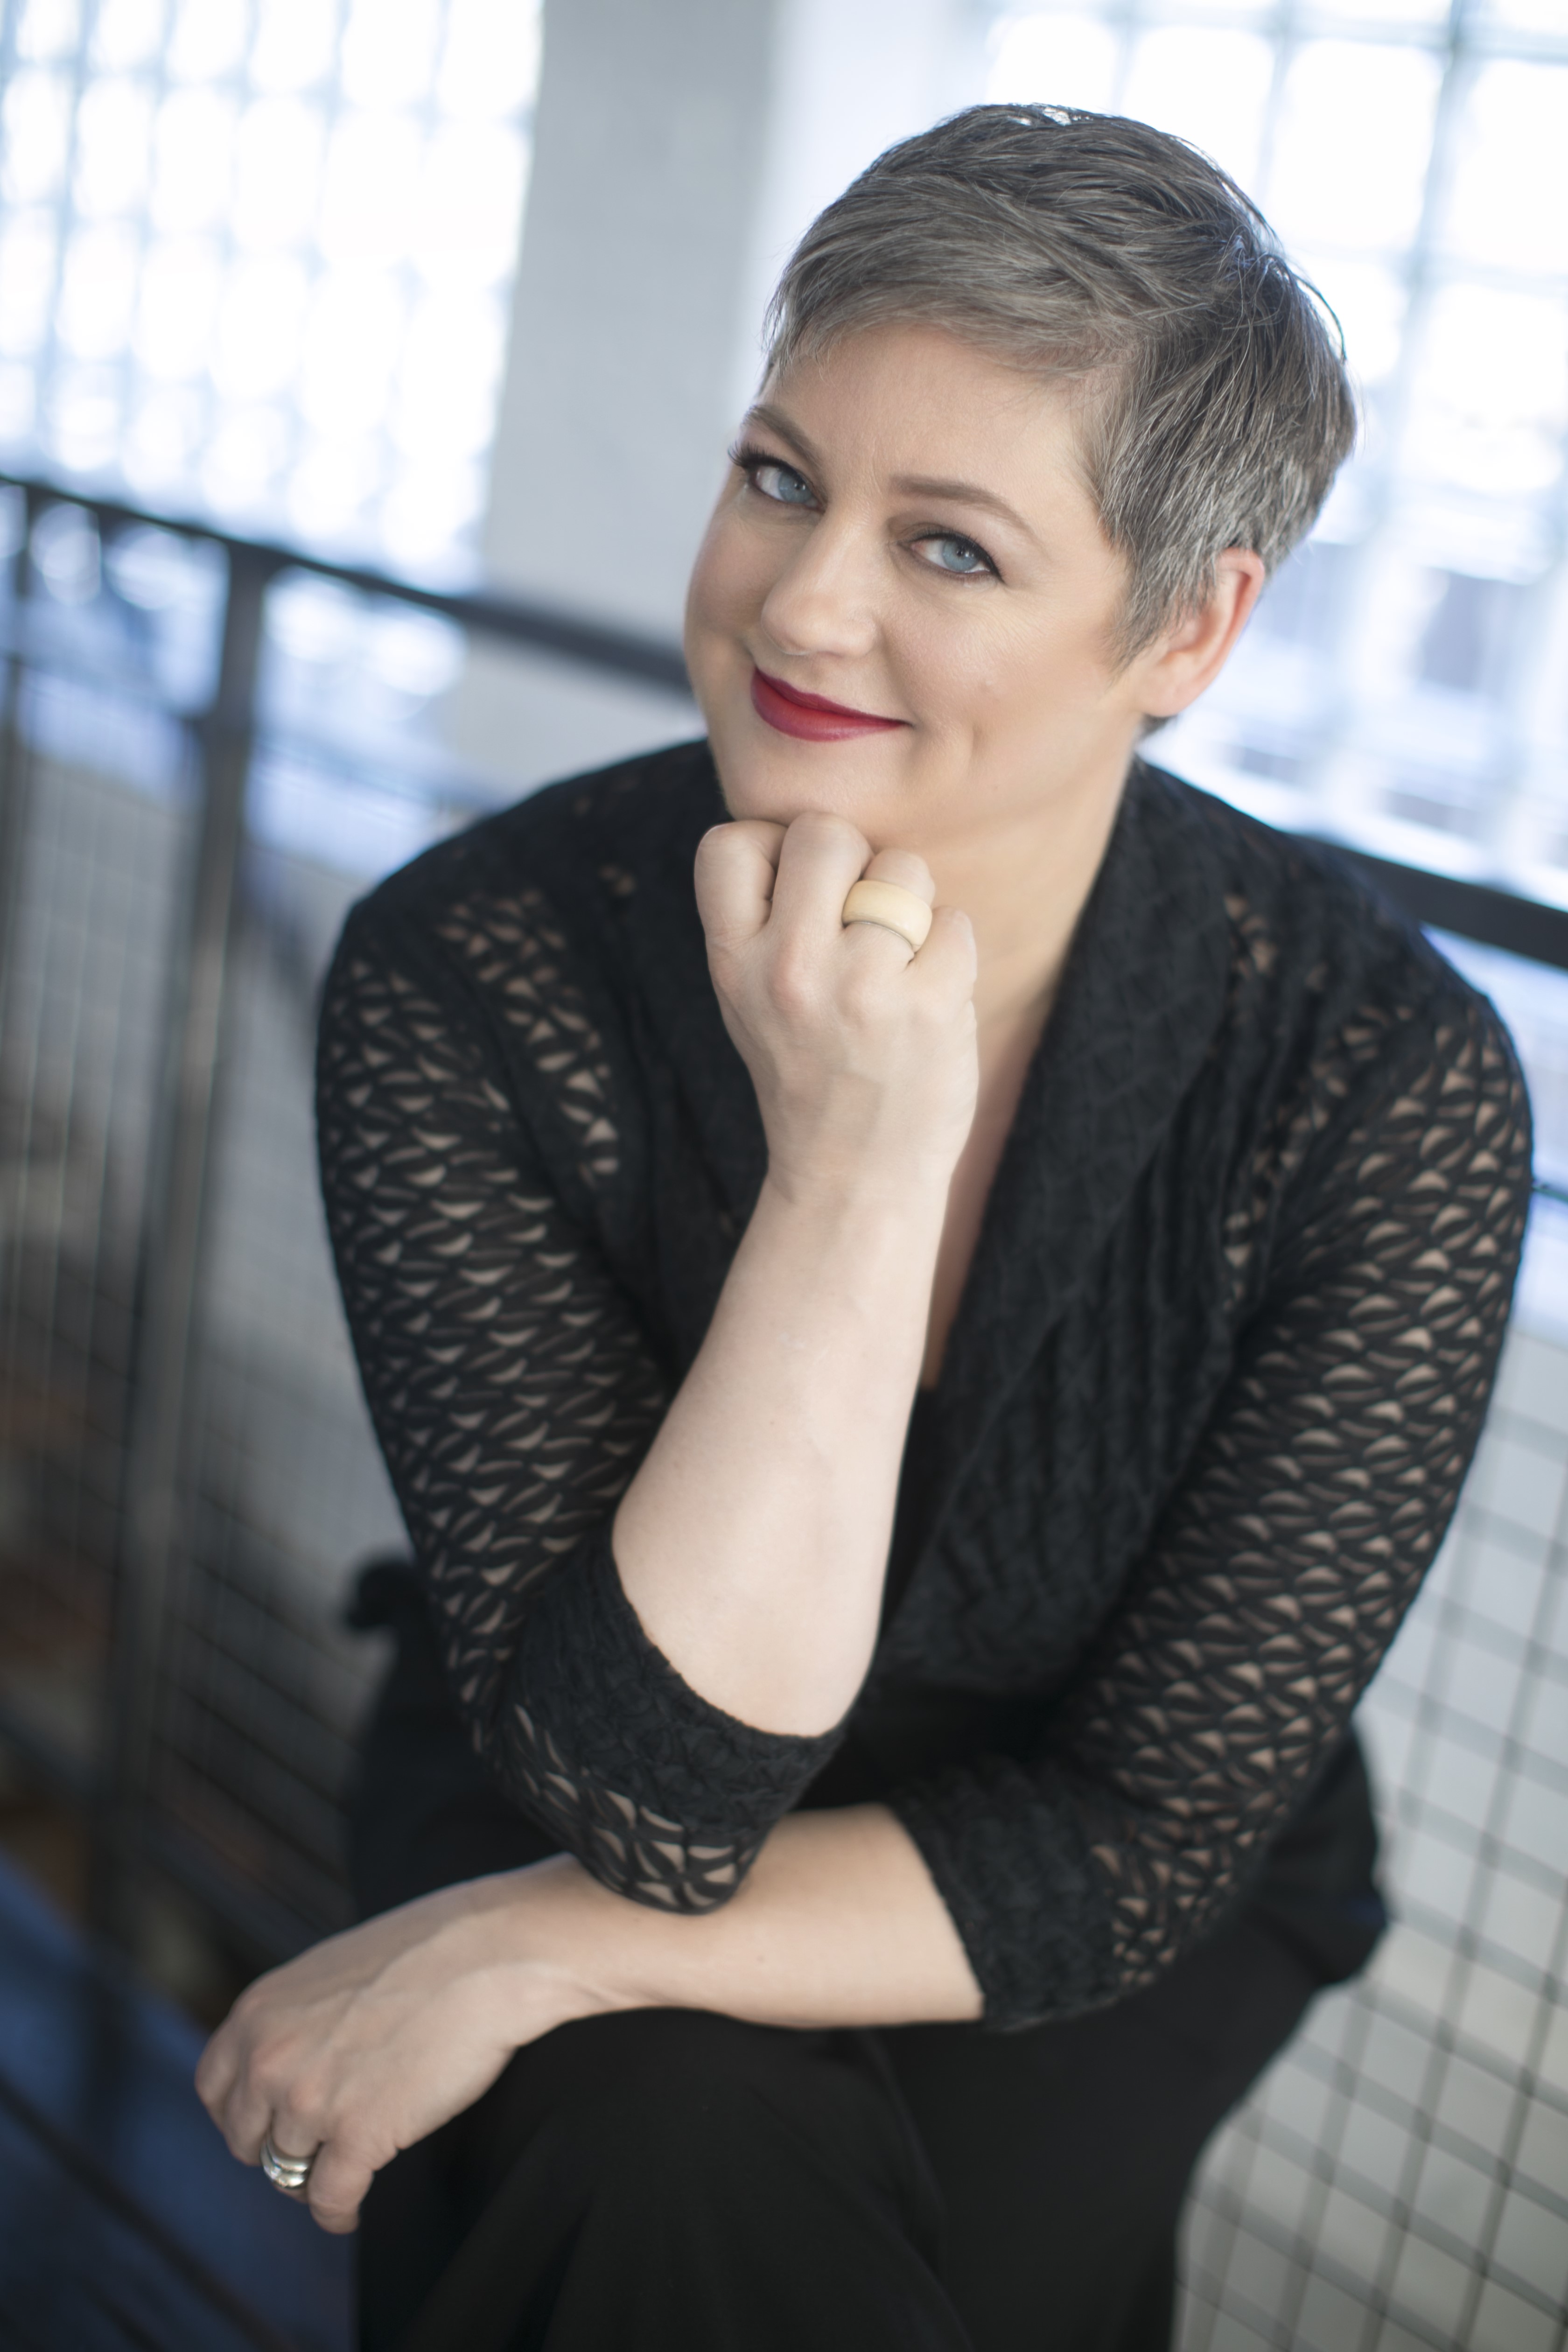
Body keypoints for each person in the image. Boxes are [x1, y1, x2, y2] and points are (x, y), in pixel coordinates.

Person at [196, 106, 1531, 2352]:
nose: (800, 605)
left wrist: (530, 1944)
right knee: (641, 2154)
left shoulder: (1377, 1080)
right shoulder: (479, 966)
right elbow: (654, 1795)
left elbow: (1139, 1839)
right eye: (782, 477)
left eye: (956, 550)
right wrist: (851, 1164)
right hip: (575, 1748)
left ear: (1189, 624)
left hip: (1086, 1868)